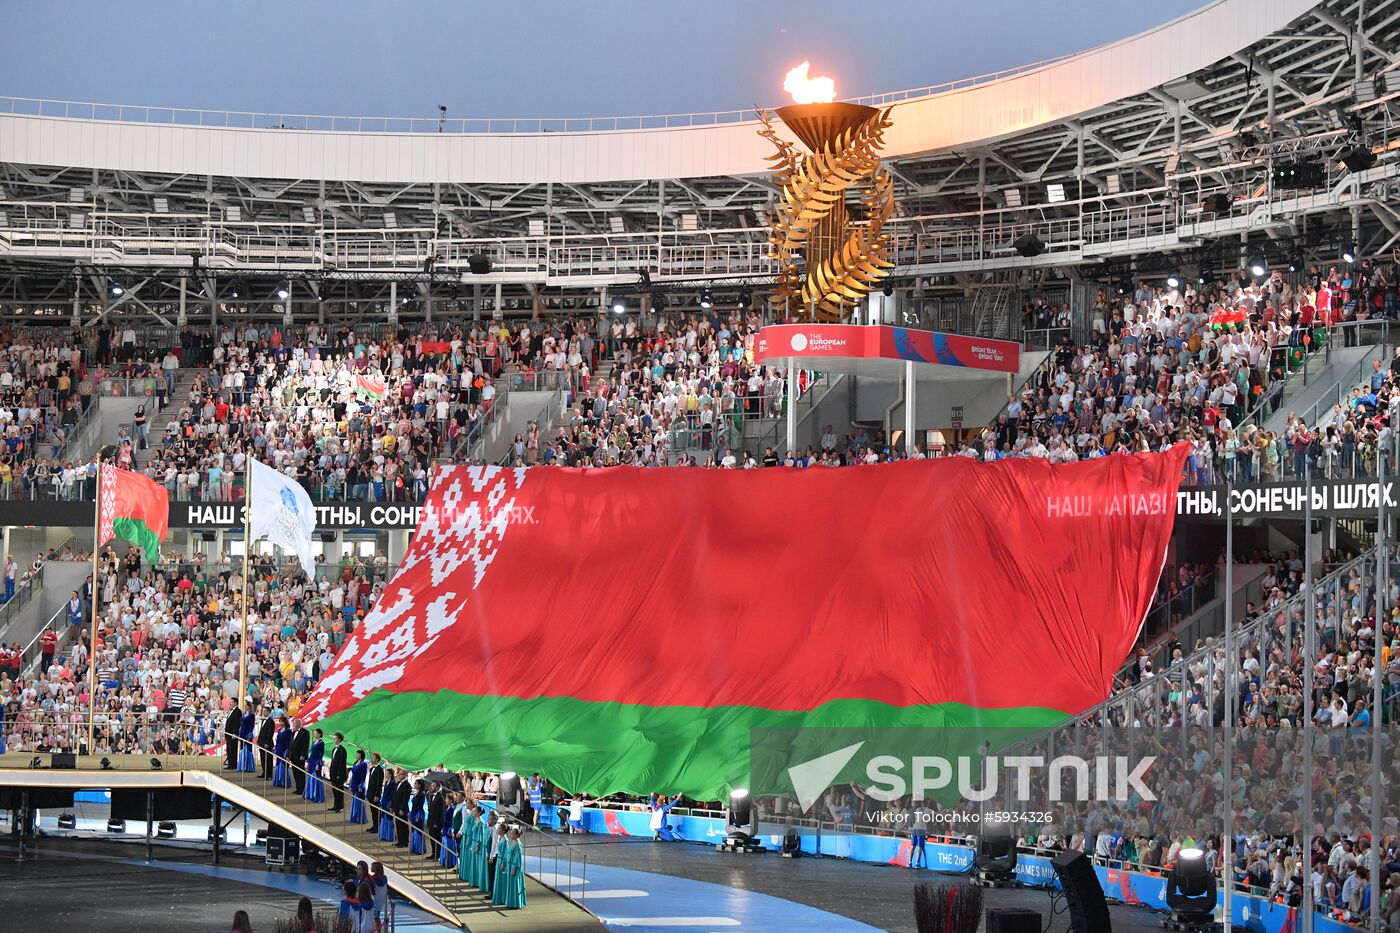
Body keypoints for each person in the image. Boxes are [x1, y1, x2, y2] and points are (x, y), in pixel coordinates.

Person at [492, 825, 527, 909]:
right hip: (510, 865)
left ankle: (515, 903)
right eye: (510, 833)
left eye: (512, 834)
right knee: (511, 884)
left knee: (514, 884)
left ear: (517, 835)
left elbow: (517, 858)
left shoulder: (518, 846)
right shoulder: (514, 843)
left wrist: (514, 868)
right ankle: (511, 902)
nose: (510, 835)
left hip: (514, 867)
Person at [457, 803, 481, 887]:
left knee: (468, 855)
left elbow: (473, 826)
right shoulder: (470, 813)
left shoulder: (474, 817)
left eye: (468, 802)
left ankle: (467, 874)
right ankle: (463, 873)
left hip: (469, 835)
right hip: (466, 834)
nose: (467, 804)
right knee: (463, 853)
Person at [302, 729, 325, 804]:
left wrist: (318, 764)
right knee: (310, 776)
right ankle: (310, 794)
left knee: (316, 777)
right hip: (312, 761)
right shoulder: (313, 742)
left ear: (319, 734)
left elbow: (321, 754)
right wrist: (308, 762)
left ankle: (317, 796)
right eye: (314, 733)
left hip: (316, 762)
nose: (314, 734)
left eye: (316, 733)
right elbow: (311, 753)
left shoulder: (321, 743)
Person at [364, 753, 385, 834]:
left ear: (377, 759)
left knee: (376, 811)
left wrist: (377, 795)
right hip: (370, 793)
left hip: (375, 794)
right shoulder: (372, 768)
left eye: (373, 758)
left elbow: (379, 784)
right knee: (373, 812)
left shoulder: (379, 770)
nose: (372, 759)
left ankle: (378, 827)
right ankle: (374, 825)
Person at [288, 718, 310, 795]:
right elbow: (290, 744)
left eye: (294, 724)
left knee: (300, 772)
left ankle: (302, 788)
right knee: (295, 772)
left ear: (298, 724)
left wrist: (303, 755)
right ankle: (298, 787)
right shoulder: (293, 733)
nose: (293, 725)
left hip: (300, 756)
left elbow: (305, 745)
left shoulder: (305, 732)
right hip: (293, 755)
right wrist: (288, 755)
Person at [327, 732, 348, 812]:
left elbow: (342, 763)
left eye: (336, 738)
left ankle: (340, 806)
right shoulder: (334, 749)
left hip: (339, 774)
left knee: (339, 790)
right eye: (334, 738)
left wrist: (339, 774)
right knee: (334, 790)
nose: (334, 739)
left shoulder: (342, 750)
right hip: (333, 773)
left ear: (339, 739)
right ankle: (336, 805)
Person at [348, 749, 369, 824]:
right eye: (356, 754)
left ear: (361, 755)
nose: (356, 755)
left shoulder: (364, 764)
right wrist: (350, 784)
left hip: (359, 784)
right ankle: (354, 816)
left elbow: (363, 776)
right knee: (354, 800)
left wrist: (361, 786)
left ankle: (360, 817)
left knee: (359, 801)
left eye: (358, 754)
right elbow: (353, 774)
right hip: (354, 783)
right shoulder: (355, 763)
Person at [392, 768, 411, 847]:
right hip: (396, 807)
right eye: (399, 774)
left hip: (402, 809)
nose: (399, 775)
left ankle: (404, 842)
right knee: (398, 825)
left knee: (403, 825)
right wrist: (392, 806)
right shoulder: (397, 783)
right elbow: (394, 795)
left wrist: (402, 809)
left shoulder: (407, 785)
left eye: (401, 774)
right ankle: (400, 841)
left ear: (405, 775)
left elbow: (405, 798)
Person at [426, 782, 446, 860]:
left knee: (436, 838)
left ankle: (437, 854)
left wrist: (436, 823)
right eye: (431, 786)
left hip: (436, 822)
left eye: (433, 786)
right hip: (431, 820)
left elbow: (439, 811)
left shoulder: (440, 797)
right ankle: (433, 852)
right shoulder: (431, 796)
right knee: (432, 837)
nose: (431, 787)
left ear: (437, 787)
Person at [377, 768, 397, 842]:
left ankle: (389, 836)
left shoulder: (392, 783)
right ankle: (383, 835)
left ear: (390, 775)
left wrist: (390, 805)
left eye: (387, 773)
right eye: (385, 773)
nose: (385, 775)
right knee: (383, 818)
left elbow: (392, 795)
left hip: (388, 803)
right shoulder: (386, 782)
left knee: (389, 819)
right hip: (384, 802)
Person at [271, 717, 292, 788]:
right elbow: (277, 741)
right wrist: (275, 748)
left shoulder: (288, 731)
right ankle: (278, 781)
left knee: (284, 765)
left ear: (285, 722)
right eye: (280, 722)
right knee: (278, 764)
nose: (281, 723)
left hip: (284, 749)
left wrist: (287, 751)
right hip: (279, 749)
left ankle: (285, 782)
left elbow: (290, 742)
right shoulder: (279, 730)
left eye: (282, 722)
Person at [408, 779, 427, 854]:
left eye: (416, 783)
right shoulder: (416, 793)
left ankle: (420, 848)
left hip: (418, 814)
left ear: (419, 785)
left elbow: (420, 806)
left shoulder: (421, 794)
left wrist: (417, 816)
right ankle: (414, 847)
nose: (414, 784)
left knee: (418, 831)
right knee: (413, 830)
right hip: (413, 813)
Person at [257, 710, 276, 780]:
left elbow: (270, 733)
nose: (263, 712)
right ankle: (264, 772)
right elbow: (261, 731)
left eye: (265, 711)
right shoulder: (263, 721)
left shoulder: (271, 721)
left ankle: (269, 774)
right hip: (261, 742)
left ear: (268, 712)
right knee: (263, 758)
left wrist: (267, 743)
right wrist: (258, 741)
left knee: (268, 759)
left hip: (267, 743)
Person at [223, 704, 243, 771]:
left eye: (232, 702)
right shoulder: (230, 711)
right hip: (228, 733)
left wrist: (235, 733)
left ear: (235, 703)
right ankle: (230, 764)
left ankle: (233, 765)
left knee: (233, 749)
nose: (230, 704)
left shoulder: (238, 711)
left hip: (232, 734)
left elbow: (237, 723)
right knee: (229, 749)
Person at [237, 706, 257, 772]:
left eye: (248, 707)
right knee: (242, 749)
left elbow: (252, 725)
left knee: (248, 749)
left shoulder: (251, 715)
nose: (246, 708)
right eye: (246, 707)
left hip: (247, 733)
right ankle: (242, 765)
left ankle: (248, 766)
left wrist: (249, 734)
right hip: (242, 733)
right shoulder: (243, 714)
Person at [370, 862, 388, 930]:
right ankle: (378, 930)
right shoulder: (385, 878)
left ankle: (378, 930)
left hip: (374, 900)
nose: (371, 868)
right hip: (381, 901)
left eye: (372, 867)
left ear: (376, 869)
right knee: (377, 916)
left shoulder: (372, 878)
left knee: (375, 918)